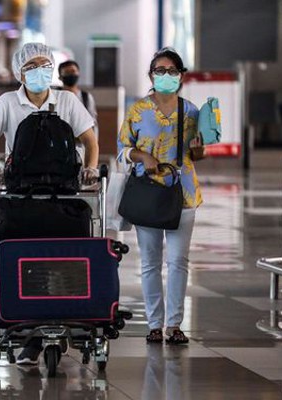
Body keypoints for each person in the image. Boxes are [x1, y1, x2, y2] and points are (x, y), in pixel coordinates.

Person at [0, 43, 100, 365]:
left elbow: (90, 140)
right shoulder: (7, 103)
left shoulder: (67, 101)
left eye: (45, 64)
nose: (39, 71)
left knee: (62, 257)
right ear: (19, 72)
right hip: (22, 191)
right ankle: (29, 330)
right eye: (32, 66)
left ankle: (53, 327)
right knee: (26, 258)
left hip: (64, 191)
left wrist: (90, 168)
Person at [117, 47, 204, 345]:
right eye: (159, 70)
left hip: (184, 195)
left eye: (171, 71)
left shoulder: (191, 111)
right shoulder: (138, 110)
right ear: (151, 75)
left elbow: (198, 154)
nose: (165, 76)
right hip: (148, 193)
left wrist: (198, 146)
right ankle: (154, 324)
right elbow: (122, 150)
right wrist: (140, 155)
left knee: (179, 261)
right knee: (150, 262)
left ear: (181, 76)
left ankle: (175, 324)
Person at [58, 60, 98, 136]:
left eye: (73, 71)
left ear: (78, 73)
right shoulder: (56, 97)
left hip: (82, 145)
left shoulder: (86, 97)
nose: (71, 75)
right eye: (67, 72)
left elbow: (93, 123)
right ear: (60, 77)